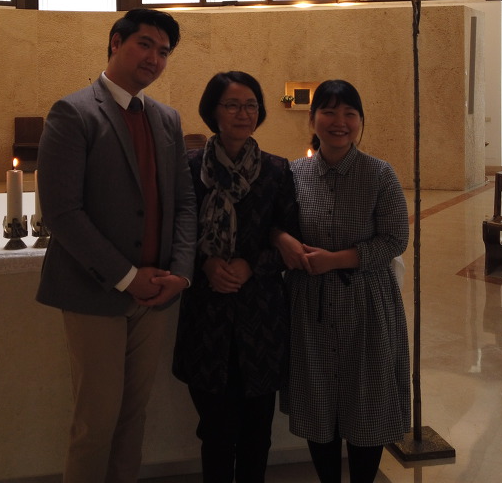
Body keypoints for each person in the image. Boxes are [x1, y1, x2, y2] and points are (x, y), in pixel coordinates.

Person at [35, 8, 197, 483]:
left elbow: (184, 202)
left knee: (132, 418)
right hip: (95, 293)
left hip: (156, 294)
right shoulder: (74, 112)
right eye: (145, 44)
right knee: (96, 423)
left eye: (163, 52)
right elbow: (62, 212)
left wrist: (181, 272)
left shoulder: (166, 119)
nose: (154, 58)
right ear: (115, 42)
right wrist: (127, 277)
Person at [275, 79, 410, 483]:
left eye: (350, 113)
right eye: (329, 112)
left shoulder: (380, 174)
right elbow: (273, 223)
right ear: (312, 120)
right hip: (310, 305)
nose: (340, 121)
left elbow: (395, 239)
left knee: (367, 400)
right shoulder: (292, 174)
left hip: (366, 303)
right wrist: (280, 237)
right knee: (318, 401)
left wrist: (334, 260)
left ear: (360, 122)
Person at [172, 71, 299, 483]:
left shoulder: (277, 171)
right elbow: (176, 235)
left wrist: (251, 265)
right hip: (206, 316)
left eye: (251, 105)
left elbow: (290, 238)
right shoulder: (190, 168)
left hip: (260, 318)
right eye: (232, 105)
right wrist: (206, 264)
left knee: (257, 433)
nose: (243, 114)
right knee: (215, 431)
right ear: (213, 111)